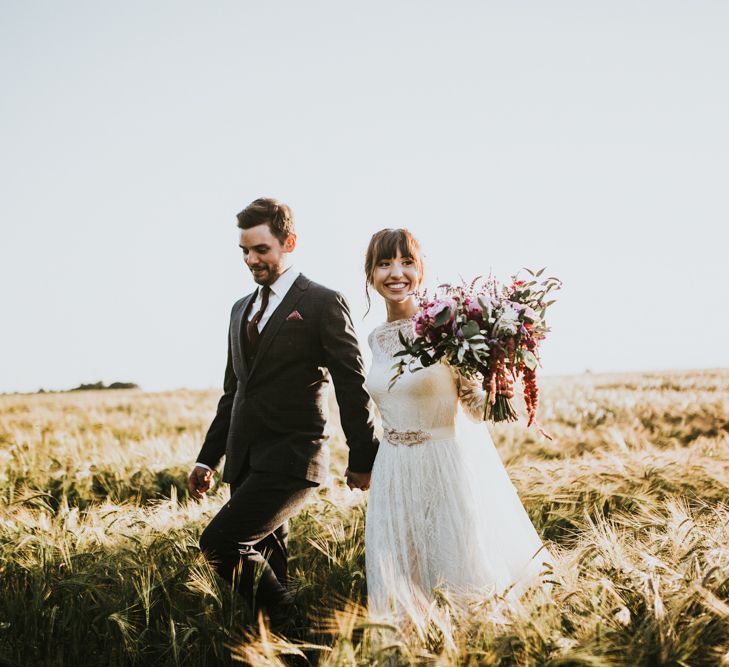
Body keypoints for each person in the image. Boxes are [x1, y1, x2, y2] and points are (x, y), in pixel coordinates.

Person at [189, 198, 378, 631]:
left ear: (288, 242)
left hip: (294, 459)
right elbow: (234, 391)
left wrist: (363, 458)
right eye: (244, 251)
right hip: (245, 462)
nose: (251, 260)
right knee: (272, 567)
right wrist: (208, 458)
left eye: (261, 250)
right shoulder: (240, 309)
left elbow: (352, 384)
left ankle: (297, 629)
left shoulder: (322, 302)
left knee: (221, 543)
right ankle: (289, 652)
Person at [362, 228, 553, 621]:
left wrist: (502, 386)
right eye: (384, 264)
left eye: (406, 262)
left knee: (458, 572)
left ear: (421, 270)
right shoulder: (375, 339)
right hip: (393, 472)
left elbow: (478, 409)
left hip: (443, 466)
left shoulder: (445, 329)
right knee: (401, 578)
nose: (396, 273)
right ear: (371, 274)